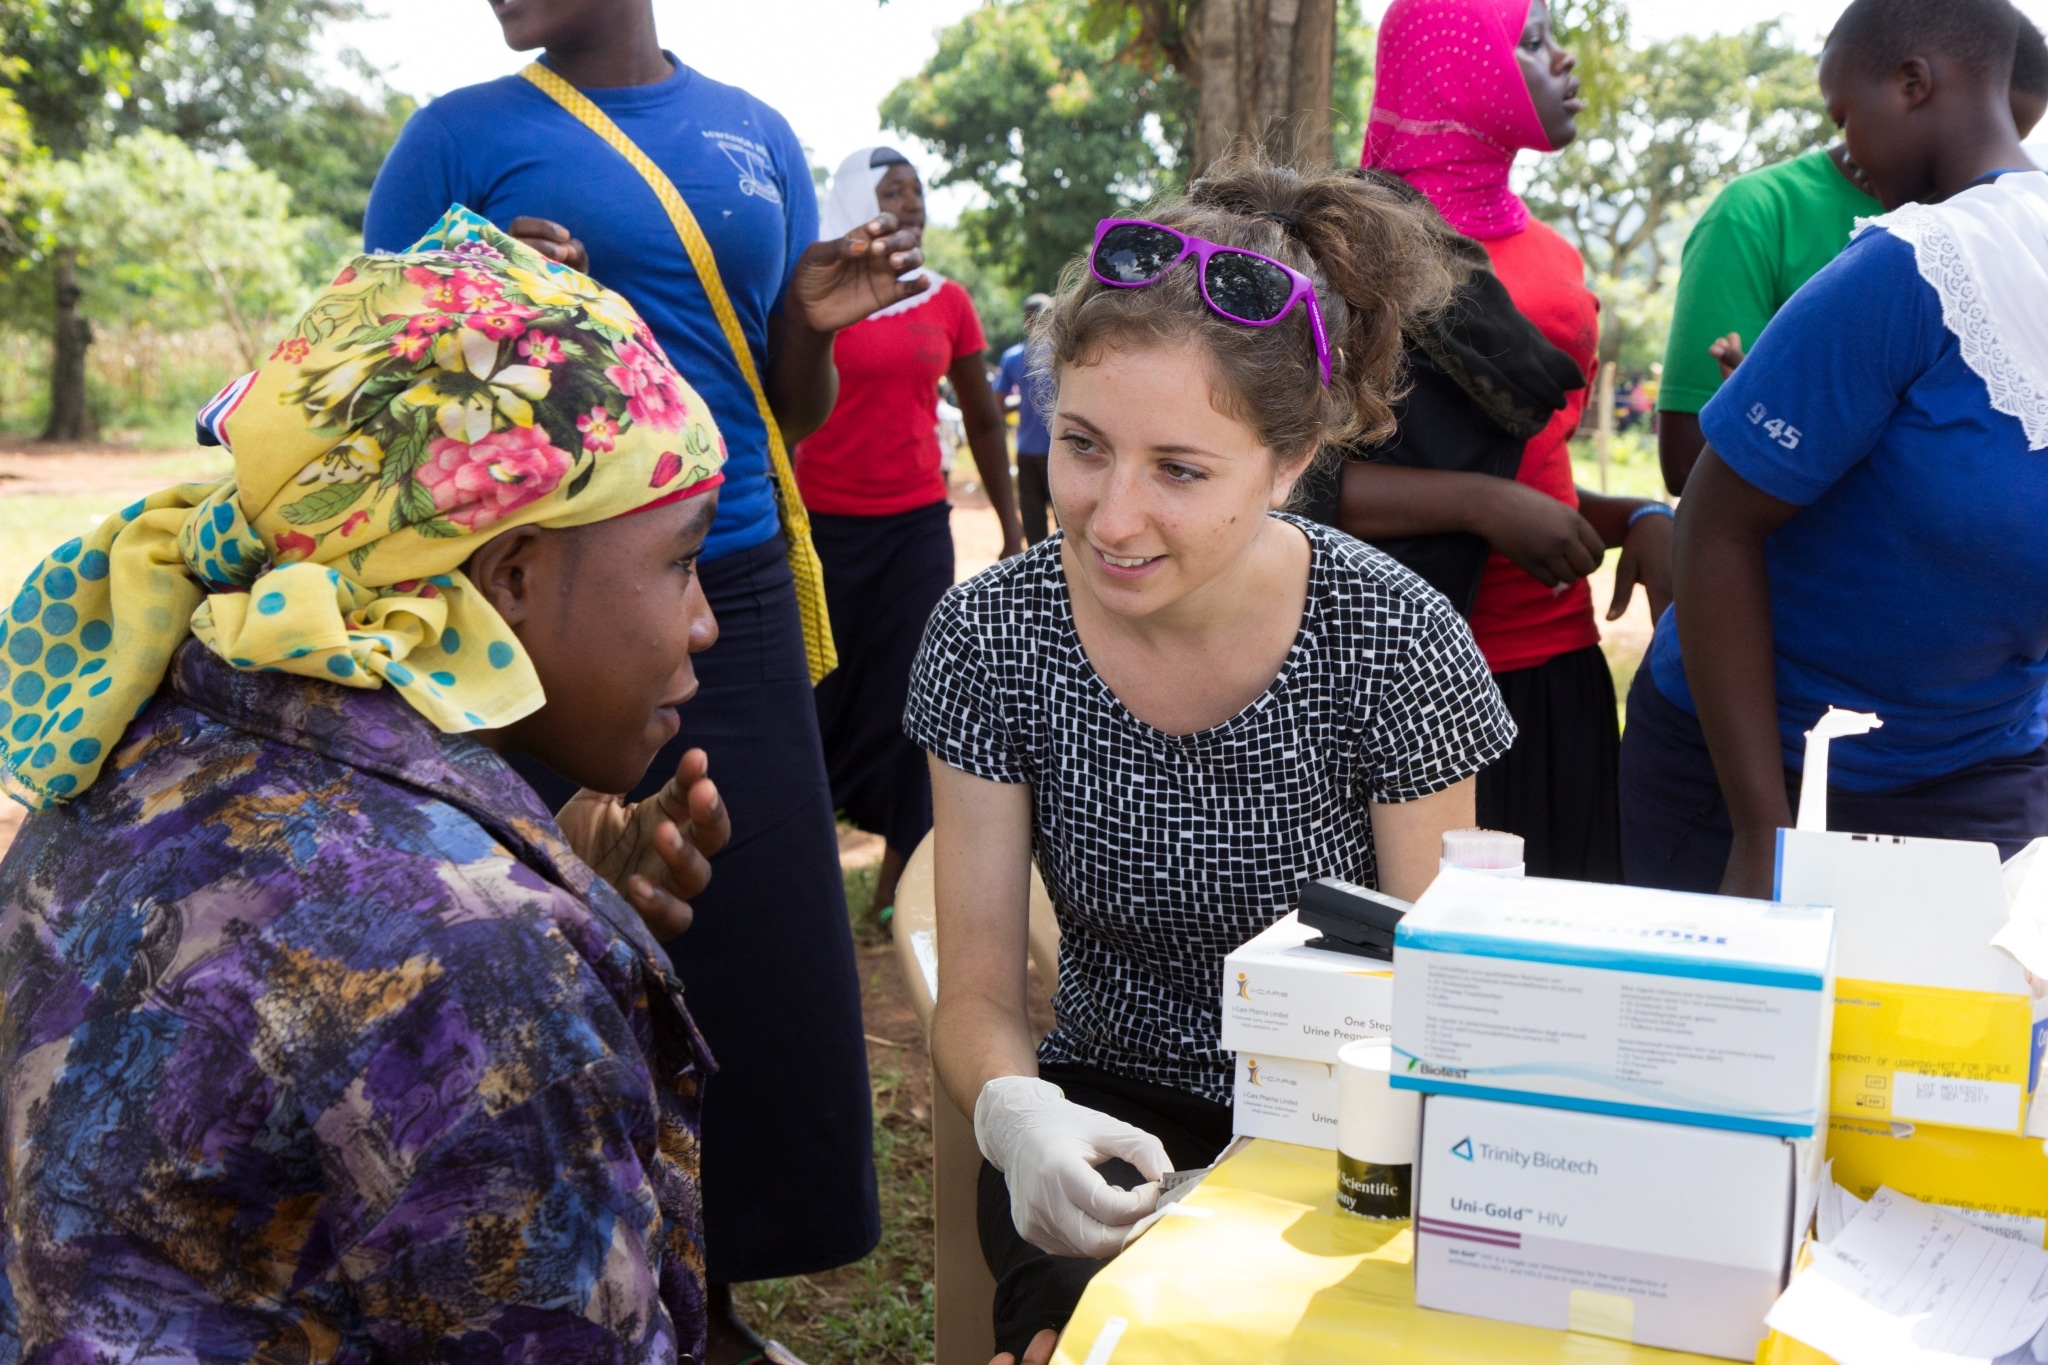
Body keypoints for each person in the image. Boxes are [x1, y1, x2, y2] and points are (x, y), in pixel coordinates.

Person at [0, 212, 737, 1363]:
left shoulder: (149, 734)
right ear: (514, 574)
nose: (704, 623)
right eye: (683, 559)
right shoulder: (478, 957)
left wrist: (545, 883)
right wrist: (524, 945)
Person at [362, 5, 918, 1352]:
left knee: (745, 928)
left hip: (725, 577)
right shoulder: (458, 138)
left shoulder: (757, 137)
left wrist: (813, 327)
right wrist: (476, 295)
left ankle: (707, 1299)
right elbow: (373, 373)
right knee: (558, 928)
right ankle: (571, 1280)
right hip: (540, 600)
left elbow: (778, 407)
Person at [903, 157, 1517, 1365]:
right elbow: (978, 995)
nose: (1111, 515)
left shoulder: (1391, 639)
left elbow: (1446, 1006)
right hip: (1098, 1119)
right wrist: (1020, 1115)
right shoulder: (990, 636)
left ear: (1291, 466)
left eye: (1179, 471)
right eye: (1081, 445)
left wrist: (1256, 1200)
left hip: (1343, 1127)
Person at [1622, 0, 2048, 897]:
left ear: (1913, 84)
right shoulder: (1907, 268)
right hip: (1750, 769)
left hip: (1978, 771)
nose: (1845, 150)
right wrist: (1758, 829)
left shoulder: (2008, 258)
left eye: (1843, 113)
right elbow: (1712, 518)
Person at [1330, 0, 1674, 882]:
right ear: (1457, 63)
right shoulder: (1347, 252)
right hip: (1389, 678)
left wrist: (1635, 515)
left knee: (1558, 967)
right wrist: (1482, 507)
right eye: (1531, 39)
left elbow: (1536, 473)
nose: (1563, 60)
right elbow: (1284, 485)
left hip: (1552, 664)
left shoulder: (1555, 257)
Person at [1655, 13, 2048, 494]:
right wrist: (1784, 391)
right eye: (1839, 121)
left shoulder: (2014, 230)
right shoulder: (1771, 216)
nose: (1994, 158)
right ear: (1919, 87)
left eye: (2012, 131)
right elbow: (1692, 474)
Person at [797, 147, 1022, 918]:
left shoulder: (946, 300)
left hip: (914, 529)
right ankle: (809, 879)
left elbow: (985, 417)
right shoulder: (812, 294)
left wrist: (1013, 526)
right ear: (855, 200)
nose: (911, 201)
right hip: (821, 530)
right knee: (816, 700)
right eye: (892, 190)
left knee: (912, 700)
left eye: (918, 189)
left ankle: (894, 891)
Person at [995, 293, 1058, 544]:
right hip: (1059, 449)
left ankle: (1038, 576)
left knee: (1033, 521)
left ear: (1025, 321)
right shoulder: (1064, 354)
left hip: (1026, 450)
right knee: (1065, 519)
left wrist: (1021, 408)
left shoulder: (1013, 357)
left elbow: (997, 404)